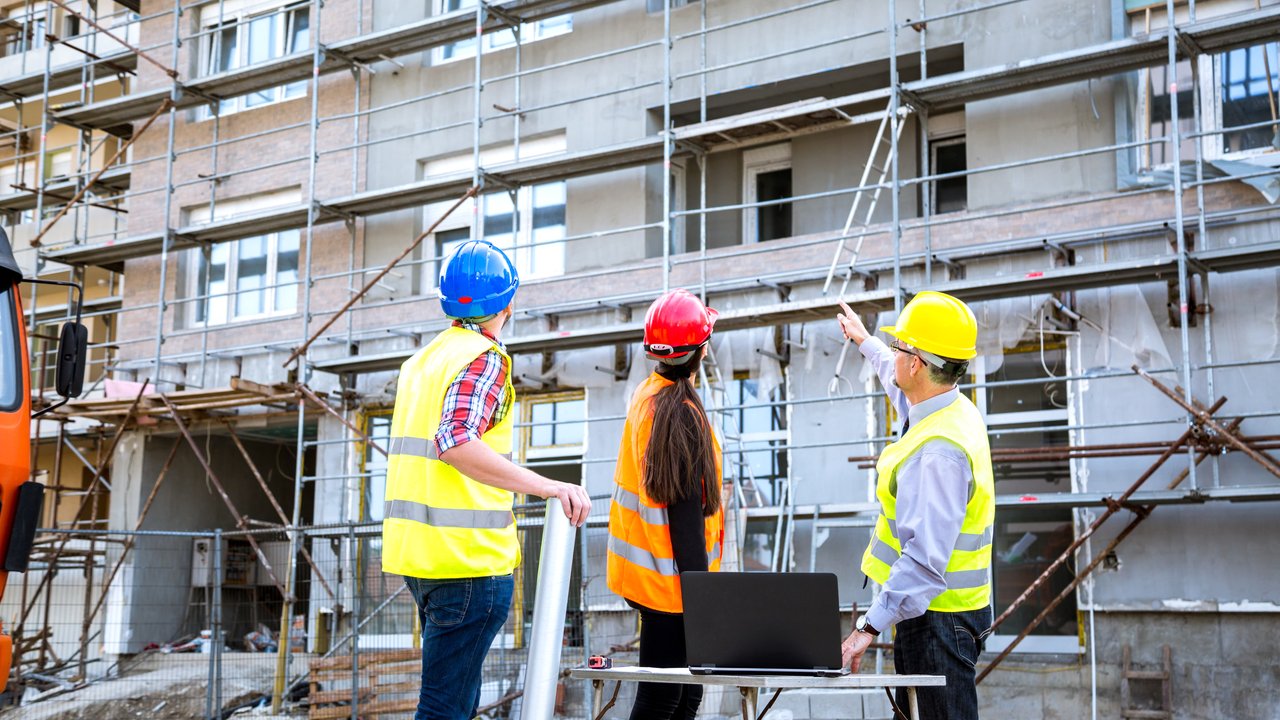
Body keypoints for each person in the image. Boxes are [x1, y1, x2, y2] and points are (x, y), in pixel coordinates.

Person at [381, 240, 592, 720]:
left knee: (452, 702)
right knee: (445, 708)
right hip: (468, 563)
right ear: (508, 304)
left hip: (423, 561)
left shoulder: (421, 362)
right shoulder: (485, 357)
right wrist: (548, 486)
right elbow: (455, 440)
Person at [836, 291, 995, 720]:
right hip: (942, 612)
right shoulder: (950, 406)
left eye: (899, 347)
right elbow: (896, 381)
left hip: (939, 620)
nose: (894, 354)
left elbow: (924, 562)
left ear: (918, 364)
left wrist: (868, 626)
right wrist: (865, 341)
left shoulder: (938, 453)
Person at [607, 289, 726, 720]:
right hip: (672, 584)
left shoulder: (648, 395)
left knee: (684, 695)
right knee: (664, 697)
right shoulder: (680, 413)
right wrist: (702, 596)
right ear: (701, 351)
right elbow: (684, 512)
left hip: (651, 575)